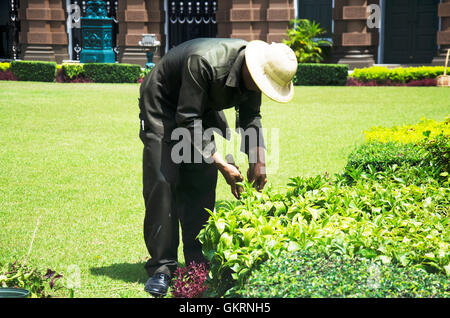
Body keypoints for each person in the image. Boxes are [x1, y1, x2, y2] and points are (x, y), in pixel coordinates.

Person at [138, 37, 297, 296]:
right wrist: (223, 164)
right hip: (163, 104)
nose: (260, 88)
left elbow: (250, 117)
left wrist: (259, 161)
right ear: (251, 67)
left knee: (201, 177)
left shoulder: (256, 73)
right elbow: (186, 119)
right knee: (163, 179)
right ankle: (162, 267)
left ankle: (197, 262)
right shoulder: (203, 62)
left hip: (198, 107)